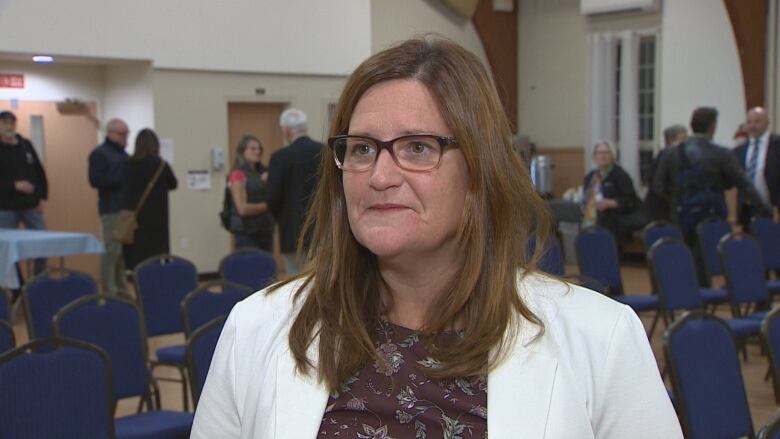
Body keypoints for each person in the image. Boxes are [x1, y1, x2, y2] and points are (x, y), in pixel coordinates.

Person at [192, 37, 681, 438]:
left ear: (477, 173)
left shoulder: (601, 338)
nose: (380, 175)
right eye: (362, 148)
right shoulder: (255, 328)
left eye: (418, 147)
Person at [653, 106, 770, 284]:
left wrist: (676, 202)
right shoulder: (720, 154)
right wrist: (765, 209)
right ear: (712, 126)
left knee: (688, 260)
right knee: (713, 261)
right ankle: (705, 299)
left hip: (681, 215)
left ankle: (689, 299)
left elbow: (659, 186)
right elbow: (744, 184)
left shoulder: (672, 153)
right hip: (712, 216)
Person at [266, 108, 323, 275]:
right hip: (324, 229)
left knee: (296, 282)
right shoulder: (325, 151)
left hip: (291, 230)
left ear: (285, 130)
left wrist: (280, 217)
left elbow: (272, 198)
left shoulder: (280, 157)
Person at [0, 110, 48, 280]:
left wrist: (42, 197)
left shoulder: (25, 145)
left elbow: (39, 172)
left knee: (44, 243)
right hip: (5, 207)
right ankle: (17, 288)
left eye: (12, 122)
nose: (9, 125)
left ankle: (38, 282)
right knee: (5, 249)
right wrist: (14, 185)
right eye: (4, 122)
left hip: (31, 205)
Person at [120, 128, 177, 270]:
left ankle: (138, 286)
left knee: (137, 259)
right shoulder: (161, 165)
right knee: (155, 258)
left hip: (134, 218)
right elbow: (173, 184)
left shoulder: (128, 165)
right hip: (157, 221)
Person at [88, 118, 130, 296]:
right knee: (111, 251)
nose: (125, 138)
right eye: (122, 134)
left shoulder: (124, 155)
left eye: (127, 134)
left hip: (125, 209)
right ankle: (108, 290)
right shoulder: (100, 154)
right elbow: (95, 180)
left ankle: (122, 288)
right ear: (111, 133)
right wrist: (121, 178)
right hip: (111, 208)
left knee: (122, 253)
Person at [582, 141, 644, 243]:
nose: (603, 156)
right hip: (591, 220)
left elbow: (630, 200)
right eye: (599, 153)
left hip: (614, 223)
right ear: (594, 156)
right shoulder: (590, 176)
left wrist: (611, 203)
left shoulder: (620, 175)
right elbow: (586, 197)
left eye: (607, 152)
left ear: (612, 156)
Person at [734, 107, 780, 228]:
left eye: (757, 121)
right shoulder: (739, 150)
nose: (752, 126)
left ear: (767, 122)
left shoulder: (777, 145)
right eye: (749, 122)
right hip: (746, 212)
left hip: (773, 209)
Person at [226, 135, 274, 251]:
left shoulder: (262, 173)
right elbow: (242, 209)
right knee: (250, 267)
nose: (258, 151)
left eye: (259, 148)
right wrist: (269, 206)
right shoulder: (238, 174)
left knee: (267, 267)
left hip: (264, 230)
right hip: (247, 234)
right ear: (242, 151)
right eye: (253, 148)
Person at [644, 124, 687, 222]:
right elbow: (658, 184)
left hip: (656, 206)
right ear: (672, 140)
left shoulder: (661, 155)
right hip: (663, 209)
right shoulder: (671, 154)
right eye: (683, 138)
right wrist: (673, 200)